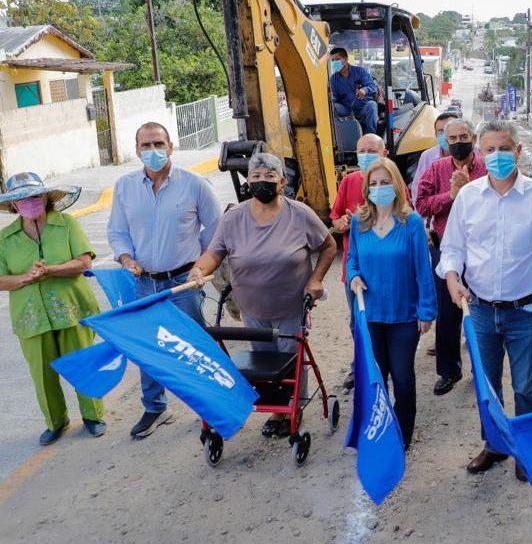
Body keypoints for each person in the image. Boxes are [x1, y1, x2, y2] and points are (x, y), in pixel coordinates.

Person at [439, 120, 532, 481]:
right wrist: (452, 277)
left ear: (518, 152)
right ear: (481, 153)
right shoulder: (468, 197)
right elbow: (453, 249)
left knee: (525, 386)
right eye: (490, 149)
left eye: (505, 148)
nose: (498, 156)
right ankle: (494, 444)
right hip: (480, 310)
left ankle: (525, 448)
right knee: (488, 384)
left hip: (525, 311)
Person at [189, 153, 337, 437]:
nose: (262, 182)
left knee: (291, 360)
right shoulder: (234, 218)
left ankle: (294, 410)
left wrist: (315, 280)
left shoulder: (300, 214)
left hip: (291, 306)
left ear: (282, 182)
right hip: (253, 307)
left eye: (270, 177)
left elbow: (329, 246)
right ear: (248, 182)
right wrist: (198, 271)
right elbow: (214, 252)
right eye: (256, 177)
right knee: (263, 362)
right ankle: (275, 412)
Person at [108, 122, 221, 439]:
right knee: (149, 347)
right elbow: (117, 231)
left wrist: (201, 267)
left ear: (171, 146)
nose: (152, 150)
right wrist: (125, 258)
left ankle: (209, 407)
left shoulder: (195, 185)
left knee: (194, 346)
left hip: (184, 283)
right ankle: (155, 407)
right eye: (146, 145)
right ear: (137, 150)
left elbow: (216, 233)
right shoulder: (124, 187)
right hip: (144, 283)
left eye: (158, 143)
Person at [0, 173, 105, 445]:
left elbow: (84, 263)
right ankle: (56, 421)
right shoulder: (5, 238)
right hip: (30, 318)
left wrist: (51, 270)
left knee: (82, 364)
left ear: (46, 197)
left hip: (72, 310)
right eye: (21, 199)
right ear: (13, 205)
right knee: (43, 375)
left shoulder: (67, 224)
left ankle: (93, 416)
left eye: (34, 196)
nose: (29, 202)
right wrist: (24, 278)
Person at [347, 158, 436, 449]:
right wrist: (353, 277)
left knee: (402, 378)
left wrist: (426, 311)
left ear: (396, 185)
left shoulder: (410, 223)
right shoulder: (359, 221)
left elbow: (423, 270)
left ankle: (403, 431)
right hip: (370, 315)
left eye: (385, 182)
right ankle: (379, 425)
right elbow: (352, 260)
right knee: (376, 377)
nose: (379, 188)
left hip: (403, 317)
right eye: (373, 183)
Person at [415, 118, 487, 395]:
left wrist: (468, 192)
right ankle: (449, 371)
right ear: (445, 140)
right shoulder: (436, 169)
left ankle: (481, 369)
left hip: (481, 250)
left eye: (463, 137)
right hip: (445, 248)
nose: (458, 143)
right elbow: (420, 205)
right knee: (447, 313)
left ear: (474, 137)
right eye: (452, 138)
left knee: (482, 311)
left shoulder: (485, 167)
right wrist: (450, 195)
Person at [330, 134, 407, 389]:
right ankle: (361, 365)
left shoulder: (394, 183)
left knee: (389, 321)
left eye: (371, 150)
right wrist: (340, 223)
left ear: (384, 153)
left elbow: (407, 217)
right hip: (355, 270)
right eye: (361, 150)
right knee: (358, 321)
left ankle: (391, 365)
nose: (365, 155)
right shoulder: (349, 182)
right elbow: (336, 216)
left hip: (388, 269)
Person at [330, 46, 379, 135]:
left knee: (372, 105)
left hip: (363, 107)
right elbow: (334, 97)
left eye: (337, 59)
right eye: (332, 61)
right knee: (332, 107)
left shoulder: (360, 71)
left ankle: (370, 136)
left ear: (345, 59)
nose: (334, 63)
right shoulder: (334, 79)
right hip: (347, 109)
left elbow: (372, 86)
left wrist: (365, 89)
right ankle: (338, 136)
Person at [410, 112, 457, 205]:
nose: (446, 135)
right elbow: (417, 189)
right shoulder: (427, 156)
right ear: (436, 135)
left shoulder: (476, 153)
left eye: (449, 130)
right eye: (441, 131)